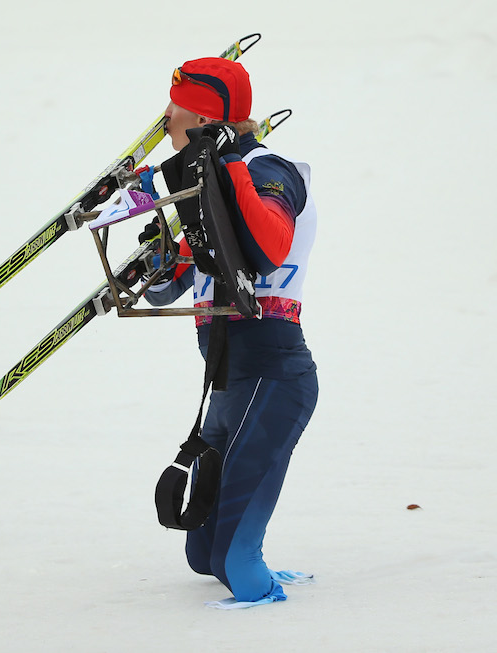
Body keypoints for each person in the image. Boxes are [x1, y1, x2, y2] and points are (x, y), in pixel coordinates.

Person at [144, 56, 319, 608]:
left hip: (274, 375)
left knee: (236, 566)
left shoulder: (270, 170)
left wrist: (229, 170)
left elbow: (269, 245)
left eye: (174, 107)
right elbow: (164, 290)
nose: (163, 118)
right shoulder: (199, 188)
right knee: (203, 556)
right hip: (226, 381)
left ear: (202, 115)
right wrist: (160, 248)